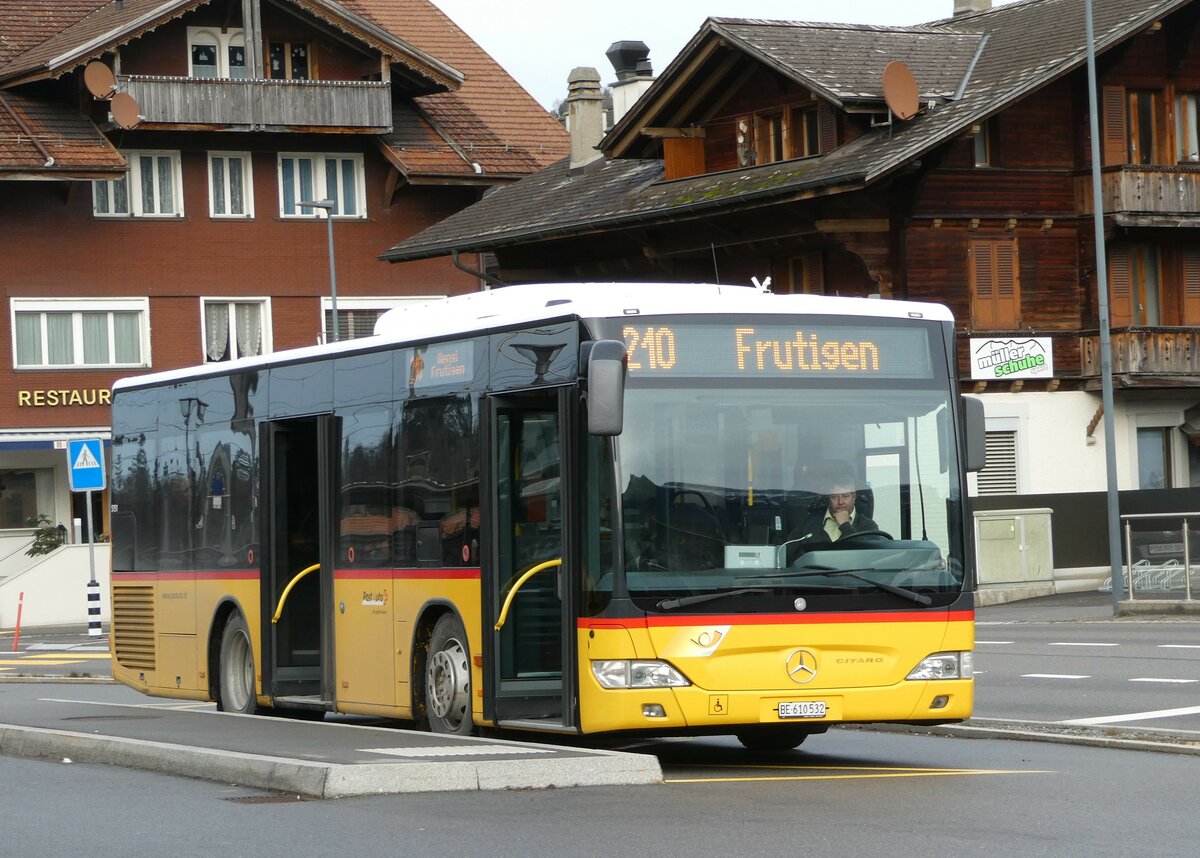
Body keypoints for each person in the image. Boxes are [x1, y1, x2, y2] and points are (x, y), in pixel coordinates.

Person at [789, 461, 877, 545]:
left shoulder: (868, 526)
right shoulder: (808, 526)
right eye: (834, 497)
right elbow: (786, 555)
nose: (840, 502)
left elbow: (867, 554)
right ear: (828, 498)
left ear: (854, 498)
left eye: (845, 496)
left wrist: (845, 526)